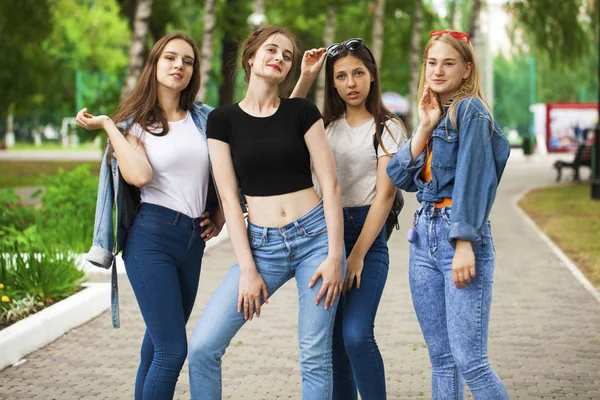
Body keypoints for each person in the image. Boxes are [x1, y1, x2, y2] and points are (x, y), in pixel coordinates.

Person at [187, 25, 345, 400]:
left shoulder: (301, 111)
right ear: (251, 57)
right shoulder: (222, 121)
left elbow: (331, 184)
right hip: (262, 244)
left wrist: (336, 255)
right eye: (272, 50)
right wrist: (247, 269)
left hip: (315, 241)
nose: (279, 58)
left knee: (315, 356)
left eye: (287, 56)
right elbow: (228, 196)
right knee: (202, 347)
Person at [76, 32, 223, 400]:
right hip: (152, 239)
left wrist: (219, 214)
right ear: (155, 64)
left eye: (187, 61)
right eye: (171, 58)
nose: (179, 66)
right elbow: (139, 176)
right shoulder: (135, 124)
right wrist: (111, 125)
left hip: (192, 242)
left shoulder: (202, 118)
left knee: (155, 349)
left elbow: (221, 171)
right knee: (173, 351)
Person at [386, 30, 510, 399]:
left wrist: (464, 243)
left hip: (458, 233)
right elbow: (397, 175)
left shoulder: (470, 110)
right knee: (442, 360)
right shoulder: (434, 115)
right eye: (432, 62)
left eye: (448, 63)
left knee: (470, 360)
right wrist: (423, 126)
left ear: (467, 69)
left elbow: (475, 178)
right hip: (423, 236)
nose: (437, 71)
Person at [291, 38, 407, 400]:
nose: (351, 83)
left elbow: (385, 196)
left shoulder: (387, 127)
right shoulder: (323, 126)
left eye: (358, 73)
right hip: (324, 237)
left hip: (367, 241)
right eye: (341, 76)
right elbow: (283, 121)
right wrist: (305, 77)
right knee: (333, 344)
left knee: (356, 335)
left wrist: (355, 255)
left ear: (372, 76)